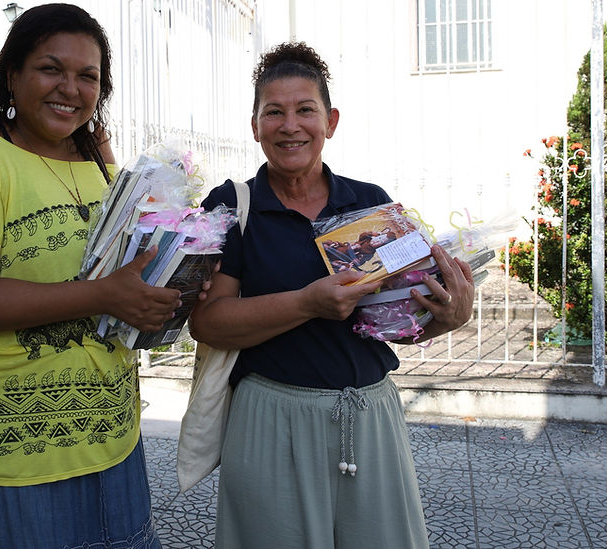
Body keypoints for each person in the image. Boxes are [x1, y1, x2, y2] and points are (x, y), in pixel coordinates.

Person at [189, 41, 476, 549]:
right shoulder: (232, 207)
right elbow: (208, 323)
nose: (290, 125)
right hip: (268, 420)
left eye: (306, 110)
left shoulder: (371, 205)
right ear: (255, 126)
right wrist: (307, 303)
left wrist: (448, 316)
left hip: (369, 419)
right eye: (273, 112)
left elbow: (399, 325)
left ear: (331, 120)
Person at [0, 3, 188, 549]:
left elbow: (127, 272)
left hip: (109, 431)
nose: (69, 88)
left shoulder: (99, 163)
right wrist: (105, 296)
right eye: (50, 68)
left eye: (87, 76)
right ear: (12, 75)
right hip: (9, 443)